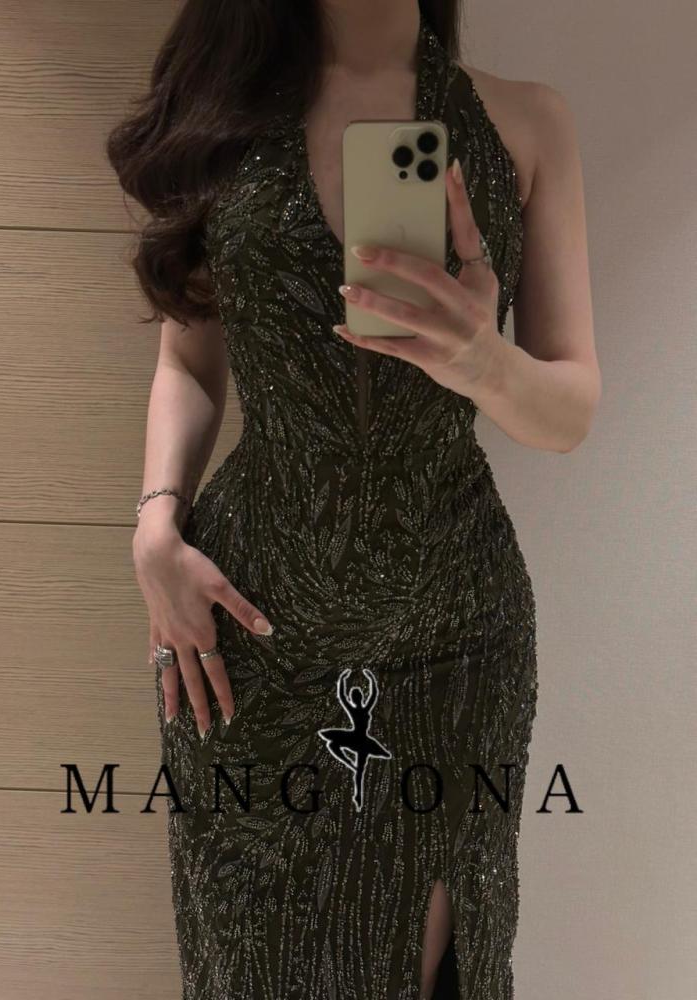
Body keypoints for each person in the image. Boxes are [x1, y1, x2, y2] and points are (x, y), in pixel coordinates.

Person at [107, 1, 599, 997]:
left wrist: (483, 360)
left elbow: (570, 409)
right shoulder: (224, 115)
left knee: (421, 963)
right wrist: (156, 521)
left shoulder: (527, 122)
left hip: (451, 639)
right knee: (255, 962)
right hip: (249, 638)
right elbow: (188, 362)